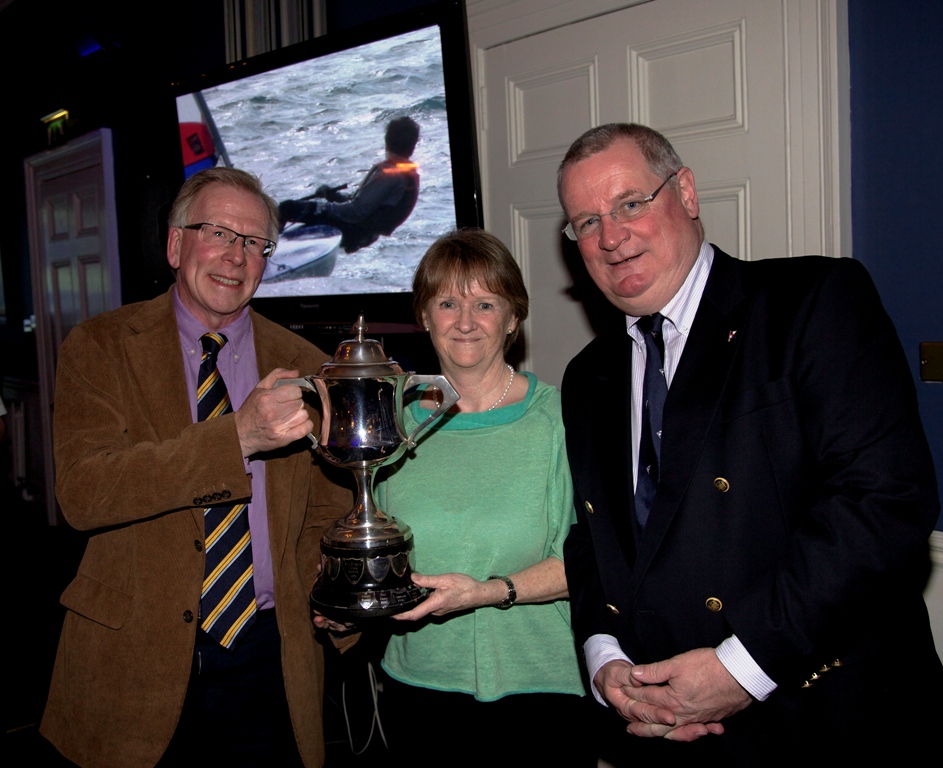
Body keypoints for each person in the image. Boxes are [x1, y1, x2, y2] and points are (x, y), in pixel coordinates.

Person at [556, 123, 943, 764]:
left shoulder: (813, 302)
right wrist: (604, 658)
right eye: (586, 222)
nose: (610, 238)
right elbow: (592, 539)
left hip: (833, 724)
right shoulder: (587, 377)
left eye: (630, 204)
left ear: (685, 192)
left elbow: (884, 504)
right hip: (669, 735)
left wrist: (742, 668)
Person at [40, 167, 354, 768]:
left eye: (255, 243)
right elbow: (85, 492)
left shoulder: (306, 365)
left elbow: (324, 513)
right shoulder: (101, 346)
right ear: (175, 244)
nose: (236, 256)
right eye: (218, 233)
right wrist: (236, 437)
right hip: (133, 655)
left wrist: (334, 595)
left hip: (268, 658)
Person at [361, 228, 590, 764]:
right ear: (425, 316)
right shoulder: (389, 426)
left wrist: (486, 592)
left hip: (541, 693)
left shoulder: (558, 421)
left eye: (485, 303)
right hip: (419, 689)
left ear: (513, 318)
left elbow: (584, 564)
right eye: (447, 303)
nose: (465, 321)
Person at [277, 116, 420, 254]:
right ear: (412, 147)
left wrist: (322, 207)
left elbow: (356, 211)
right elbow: (363, 204)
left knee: (286, 208)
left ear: (386, 144)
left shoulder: (390, 174)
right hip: (364, 232)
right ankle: (278, 251)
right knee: (299, 227)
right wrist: (333, 196)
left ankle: (267, 251)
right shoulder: (406, 175)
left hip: (351, 229)